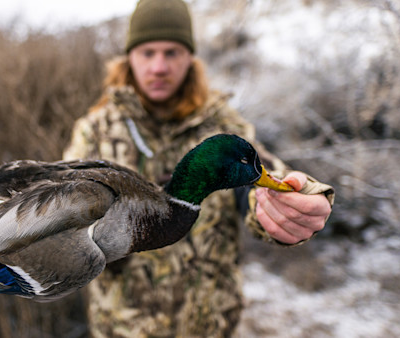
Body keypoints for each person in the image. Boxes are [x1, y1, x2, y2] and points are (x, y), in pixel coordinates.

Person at [63, 0, 334, 336]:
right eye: (148, 52)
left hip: (210, 327)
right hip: (122, 328)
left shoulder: (222, 125)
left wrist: (299, 198)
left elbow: (261, 180)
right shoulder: (95, 131)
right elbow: (64, 216)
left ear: (190, 58)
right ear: (129, 57)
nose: (159, 66)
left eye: (172, 52)